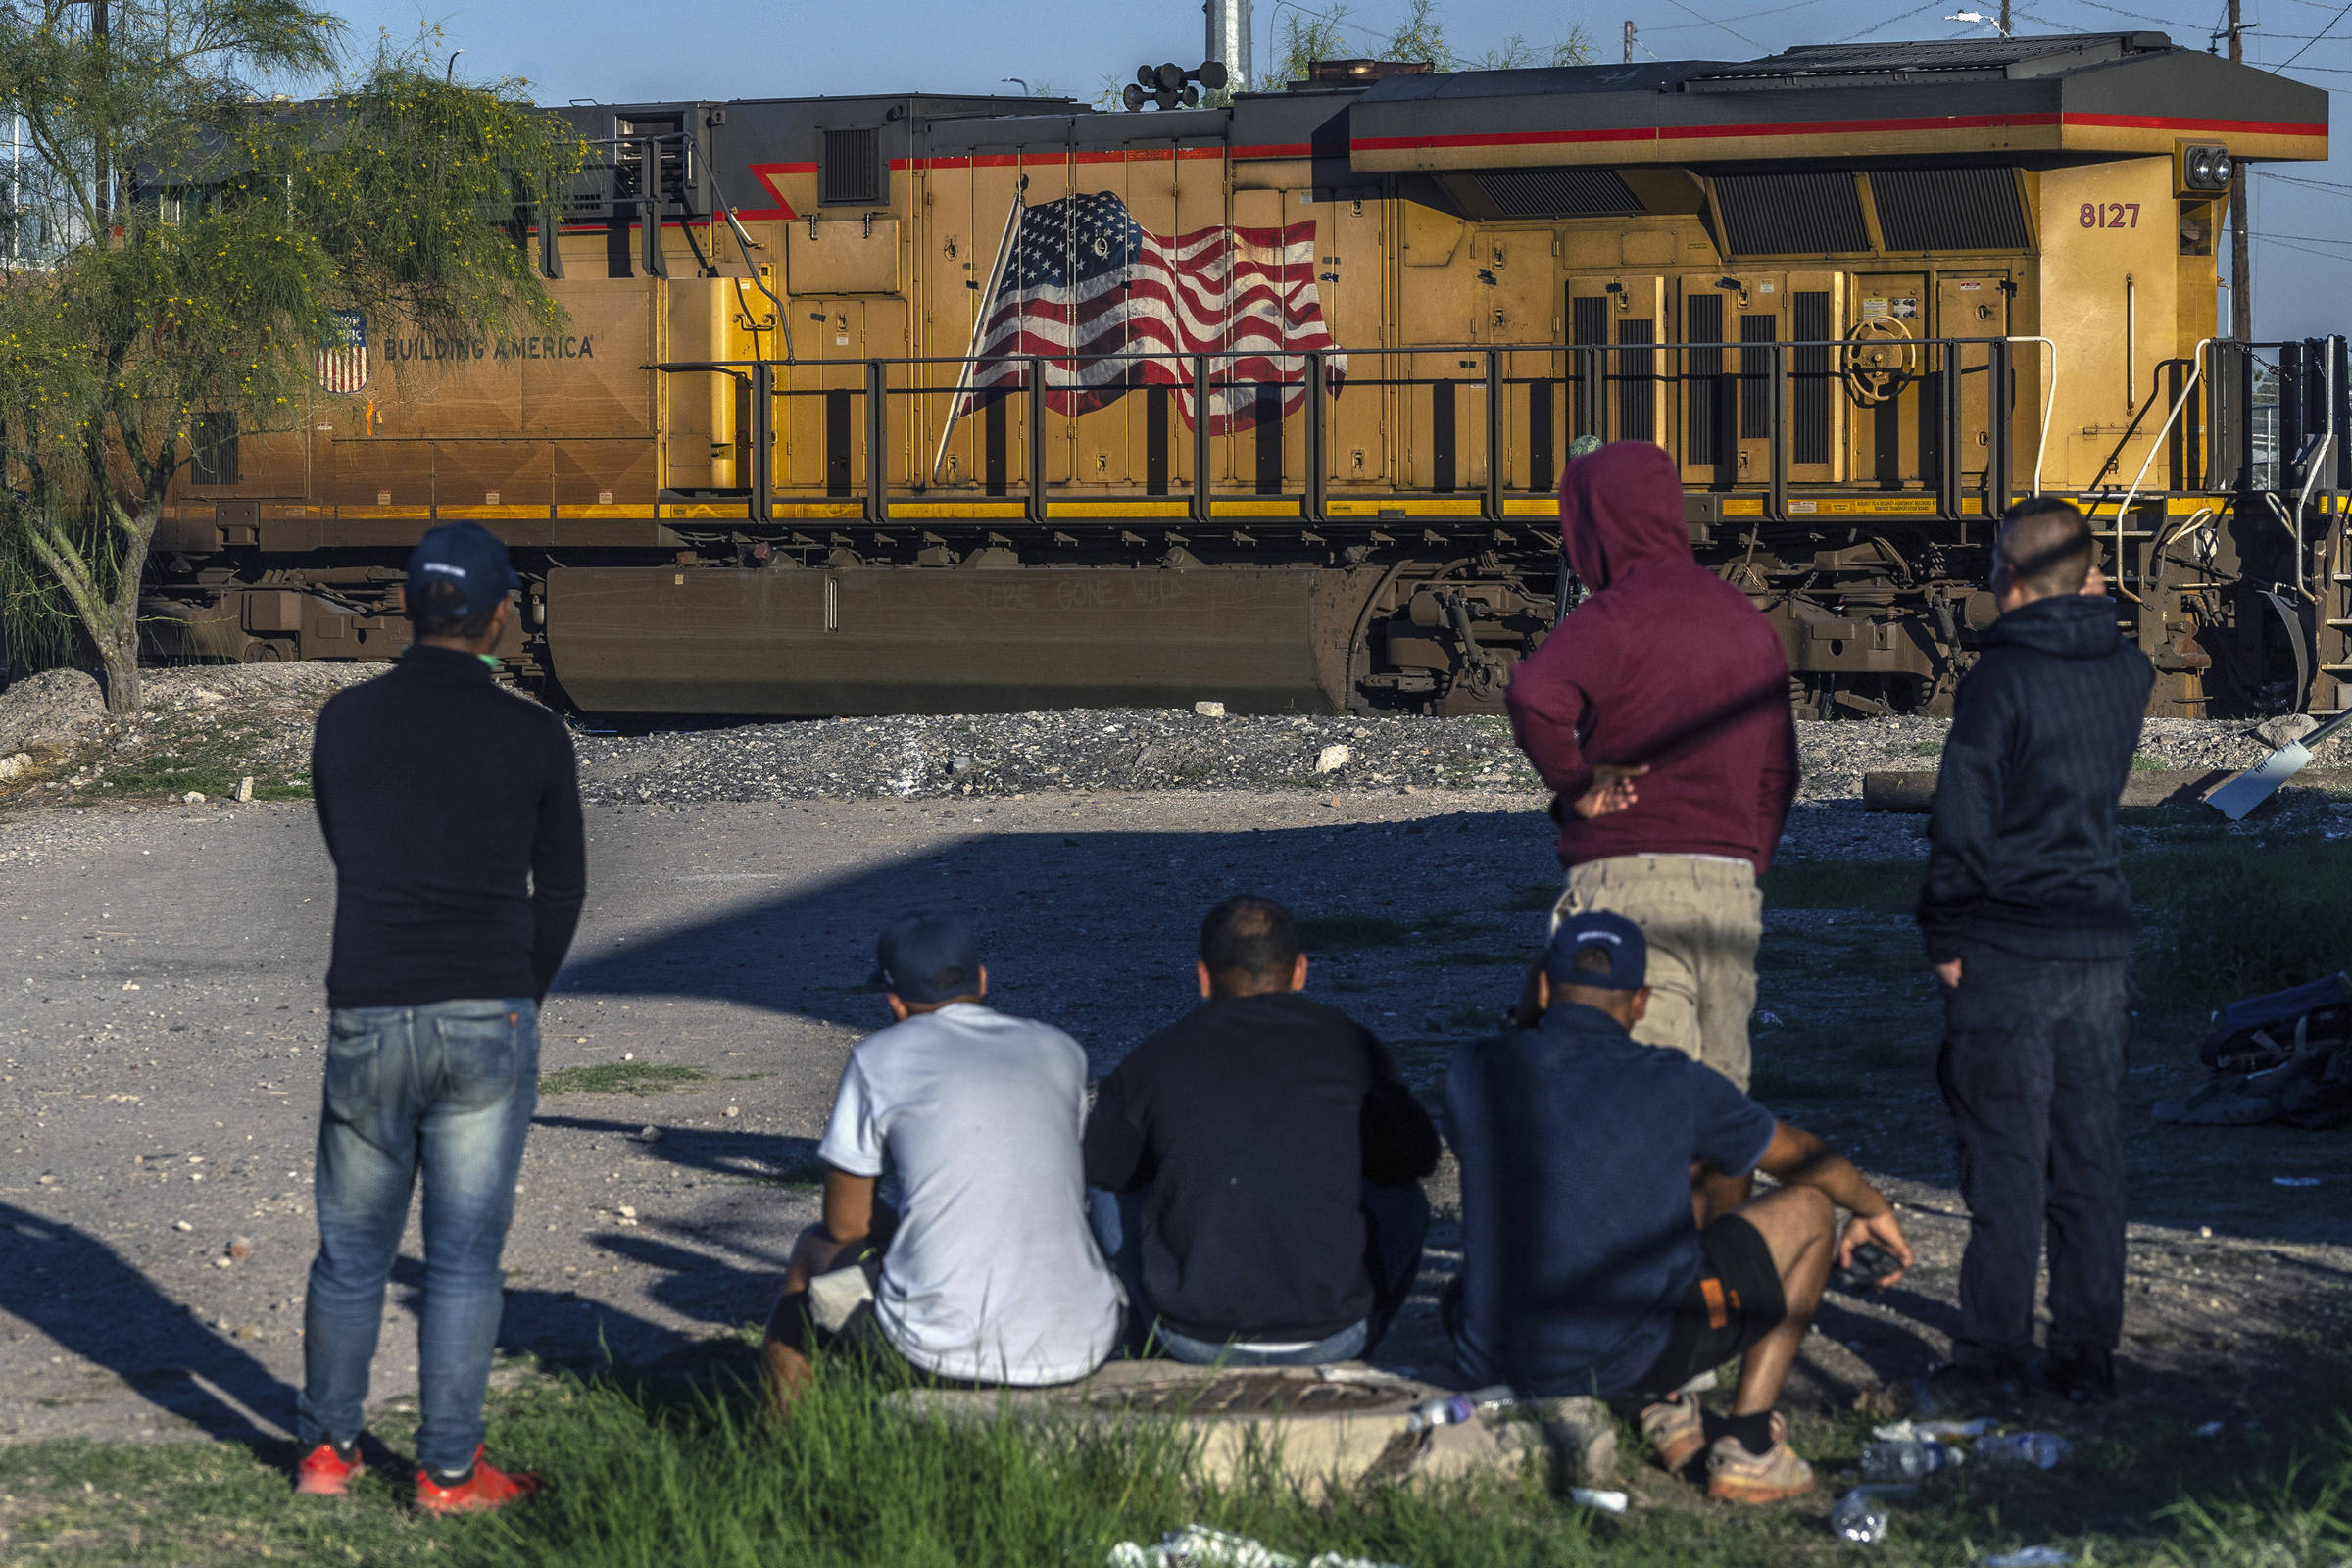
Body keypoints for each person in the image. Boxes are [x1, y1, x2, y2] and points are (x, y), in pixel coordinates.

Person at [294, 521, 584, 1511]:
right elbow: (566, 890)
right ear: (501, 612)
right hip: (484, 1014)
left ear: (413, 608)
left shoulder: (345, 722)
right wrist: (516, 991)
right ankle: (449, 1471)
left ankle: (327, 1455)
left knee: (350, 1250)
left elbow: (349, 846)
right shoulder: (535, 735)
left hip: (369, 1007)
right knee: (462, 1258)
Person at [1445, 912, 1911, 1505]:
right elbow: (1802, 1158)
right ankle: (1749, 1447)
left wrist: (1528, 1017)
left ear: (1541, 987)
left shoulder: (1474, 1069)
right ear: (1640, 1002)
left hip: (1495, 1353)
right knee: (1813, 1210)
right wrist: (1873, 1206)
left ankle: (1660, 1407)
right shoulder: (1674, 1082)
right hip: (1623, 1355)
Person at [1917, 497, 2152, 1407]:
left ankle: (1990, 1355)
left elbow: (1963, 824)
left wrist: (1944, 933)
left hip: (2007, 944)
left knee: (2005, 1160)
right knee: (2089, 1158)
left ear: (2008, 579)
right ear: (2087, 576)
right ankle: (2087, 1356)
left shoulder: (1999, 682)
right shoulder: (2126, 670)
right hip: (2098, 943)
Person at [1504, 442, 1799, 1107]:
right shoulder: (1747, 624)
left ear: (1594, 522)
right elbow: (1779, 771)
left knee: (1641, 1105)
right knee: (1722, 1106)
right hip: (1728, 892)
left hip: (1632, 882)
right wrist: (1746, 859)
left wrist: (1578, 784)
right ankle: (1715, 1214)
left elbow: (1533, 693)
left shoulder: (1612, 617)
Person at [764, 912, 1123, 1402]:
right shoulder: (1060, 1050)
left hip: (943, 1352)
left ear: (895, 1002)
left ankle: (780, 1444)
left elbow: (844, 1226)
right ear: (983, 979)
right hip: (1086, 1340)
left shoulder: (879, 1058)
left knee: (813, 1250)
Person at [1083, 896, 1441, 1365]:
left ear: (1204, 978)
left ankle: (1151, 1329)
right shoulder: (1351, 1047)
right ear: (1300, 972)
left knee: (1108, 1184)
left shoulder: (1154, 1060)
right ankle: (1364, 1343)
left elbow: (1101, 1167)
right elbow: (1419, 1156)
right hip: (1331, 1334)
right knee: (1404, 1197)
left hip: (1194, 1338)